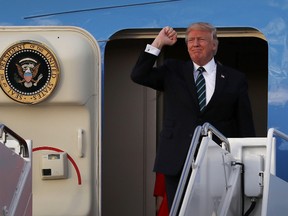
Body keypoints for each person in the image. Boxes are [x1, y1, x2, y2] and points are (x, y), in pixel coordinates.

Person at [130, 22, 255, 211]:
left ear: (214, 45)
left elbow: (245, 124)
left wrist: (249, 163)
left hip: (218, 162)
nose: (195, 44)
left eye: (201, 39)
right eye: (191, 40)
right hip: (177, 160)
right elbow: (138, 75)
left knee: (217, 211)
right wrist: (158, 42)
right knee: (180, 211)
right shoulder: (173, 70)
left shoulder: (235, 78)